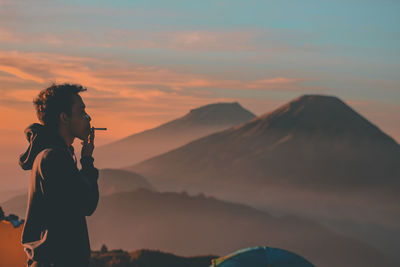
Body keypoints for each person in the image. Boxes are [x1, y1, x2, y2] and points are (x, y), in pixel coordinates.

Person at [18, 83, 99, 267]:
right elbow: (87, 203)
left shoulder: (51, 155)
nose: (88, 118)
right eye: (81, 112)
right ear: (64, 117)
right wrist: (87, 161)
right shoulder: (55, 157)